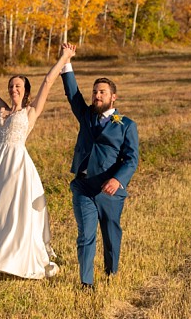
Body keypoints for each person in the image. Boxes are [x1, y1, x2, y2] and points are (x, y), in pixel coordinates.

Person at [0, 43, 76, 279]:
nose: (13, 89)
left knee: (13, 213)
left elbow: (48, 81)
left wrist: (65, 57)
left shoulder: (30, 111)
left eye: (18, 86)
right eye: (10, 86)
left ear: (26, 90)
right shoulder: (2, 110)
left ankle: (13, 262)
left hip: (18, 167)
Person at [60, 45, 139, 290]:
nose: (97, 95)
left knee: (111, 233)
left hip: (109, 188)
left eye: (102, 92)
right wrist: (66, 62)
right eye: (95, 92)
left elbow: (131, 159)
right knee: (86, 235)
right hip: (84, 186)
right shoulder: (86, 116)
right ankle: (86, 281)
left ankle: (111, 272)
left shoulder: (126, 125)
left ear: (113, 97)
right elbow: (73, 95)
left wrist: (118, 180)